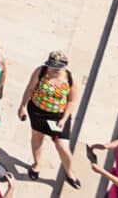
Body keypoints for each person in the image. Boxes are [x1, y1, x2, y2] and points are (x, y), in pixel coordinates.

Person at [19, 50, 82, 183]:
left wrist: (64, 119)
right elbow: (30, 88)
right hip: (37, 111)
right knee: (37, 137)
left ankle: (69, 172)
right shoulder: (41, 72)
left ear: (64, 67)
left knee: (63, 146)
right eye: (51, 65)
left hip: (58, 116)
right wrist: (23, 106)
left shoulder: (70, 79)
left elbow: (71, 100)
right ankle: (37, 164)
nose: (52, 69)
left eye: (56, 68)